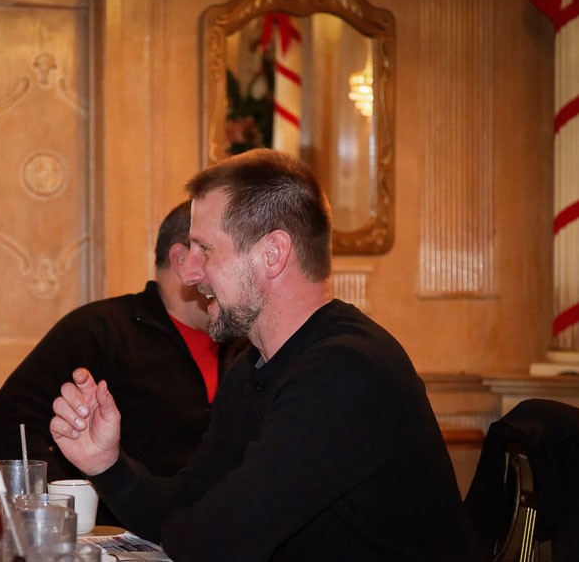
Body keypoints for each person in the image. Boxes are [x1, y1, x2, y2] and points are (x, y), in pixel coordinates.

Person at [49, 150, 483, 561]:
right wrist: (106, 464)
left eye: (205, 249)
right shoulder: (253, 366)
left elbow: (218, 543)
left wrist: (189, 529)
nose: (189, 272)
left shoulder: (346, 371)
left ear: (272, 254)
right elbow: (188, 503)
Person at [0, 201, 246, 524]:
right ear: (181, 260)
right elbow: (4, 428)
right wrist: (75, 504)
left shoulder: (245, 346)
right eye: (223, 254)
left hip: (214, 536)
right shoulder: (99, 330)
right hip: (121, 539)